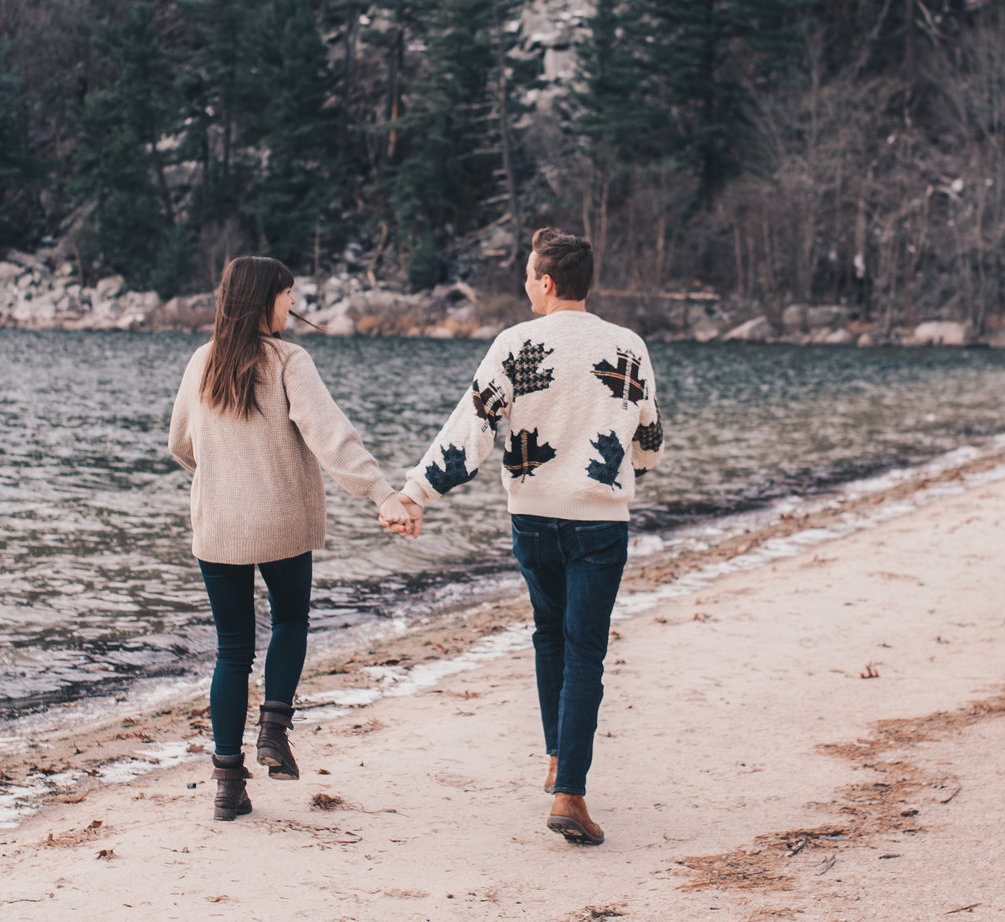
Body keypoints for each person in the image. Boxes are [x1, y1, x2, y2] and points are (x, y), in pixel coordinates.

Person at [393, 227, 661, 845]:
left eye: (527, 275)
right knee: (584, 648)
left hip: (533, 521)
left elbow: (472, 431)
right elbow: (648, 441)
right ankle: (570, 791)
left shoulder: (515, 344)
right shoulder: (629, 346)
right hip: (600, 522)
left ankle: (555, 760)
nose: (524, 285)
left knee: (549, 634)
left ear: (545, 282)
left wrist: (415, 493)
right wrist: (628, 469)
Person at [167, 255, 422, 821]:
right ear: (264, 299)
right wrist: (382, 493)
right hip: (282, 523)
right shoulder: (288, 361)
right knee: (290, 620)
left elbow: (180, 445)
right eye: (288, 295)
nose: (293, 306)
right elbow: (332, 438)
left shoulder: (200, 363)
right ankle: (274, 730)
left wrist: (224, 477)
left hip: (220, 529)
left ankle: (228, 786)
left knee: (232, 651)